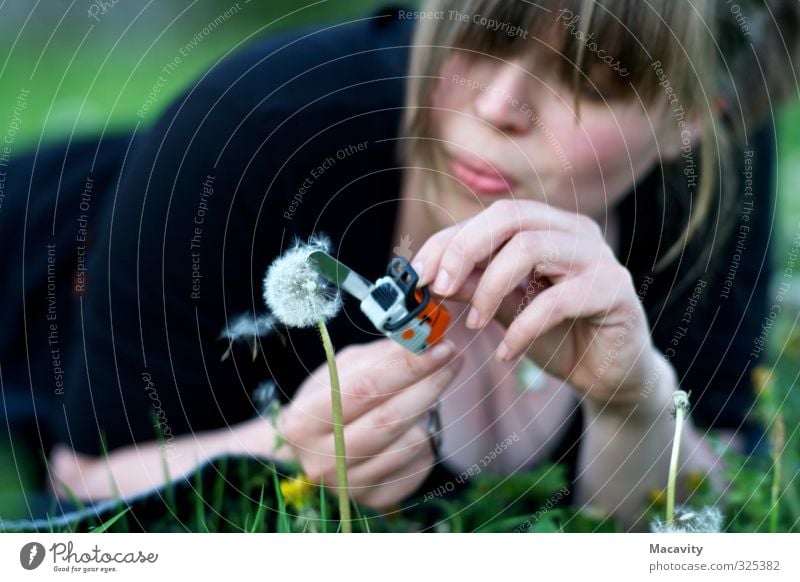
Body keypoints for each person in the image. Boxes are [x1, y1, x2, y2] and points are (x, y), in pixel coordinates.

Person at [0, 0, 796, 530]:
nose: (496, 106)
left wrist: (637, 401)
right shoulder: (253, 130)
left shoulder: (709, 184)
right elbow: (78, 486)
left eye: (592, 78)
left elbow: (706, 509)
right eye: (488, 33)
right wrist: (279, 454)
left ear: (693, 120)